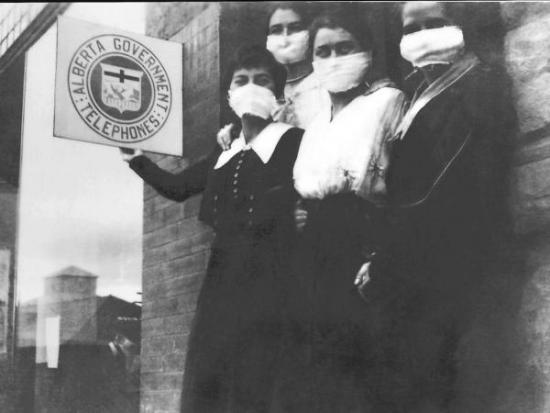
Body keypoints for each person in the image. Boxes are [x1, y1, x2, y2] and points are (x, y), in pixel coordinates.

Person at [122, 45, 304, 413]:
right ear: (230, 94)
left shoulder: (294, 141)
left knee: (260, 368)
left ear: (278, 93)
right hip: (223, 272)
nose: (250, 87)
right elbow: (178, 188)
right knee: (216, 367)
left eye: (262, 81)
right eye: (242, 81)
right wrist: (137, 160)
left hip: (274, 269)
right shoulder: (225, 151)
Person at [360, 2, 516, 412]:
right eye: (413, 28)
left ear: (459, 25)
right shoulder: (416, 93)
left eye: (436, 23)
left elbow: (446, 193)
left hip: (450, 274)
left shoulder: (481, 87)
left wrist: (385, 261)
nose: (424, 34)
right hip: (409, 273)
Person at [278, 7, 407, 413]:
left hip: (362, 240)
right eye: (324, 51)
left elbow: (402, 183)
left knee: (361, 368)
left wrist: (382, 253)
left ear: (366, 51)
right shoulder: (315, 125)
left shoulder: (387, 102)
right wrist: (299, 212)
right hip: (313, 250)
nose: (333, 59)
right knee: (313, 366)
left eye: (344, 48)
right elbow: (306, 185)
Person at [217, 3, 329, 150]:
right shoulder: (260, 90)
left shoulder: (327, 85)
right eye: (276, 30)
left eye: (295, 28)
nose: (285, 37)